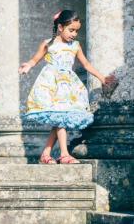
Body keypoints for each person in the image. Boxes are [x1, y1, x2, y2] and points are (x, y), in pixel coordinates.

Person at [19, 10, 116, 164]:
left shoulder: (75, 46)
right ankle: (64, 154)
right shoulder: (48, 44)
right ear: (60, 27)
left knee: (61, 118)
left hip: (68, 86)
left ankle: (46, 154)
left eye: (76, 31)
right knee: (60, 118)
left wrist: (102, 77)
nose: (74, 34)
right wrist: (27, 66)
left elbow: (86, 64)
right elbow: (35, 59)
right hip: (51, 84)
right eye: (71, 30)